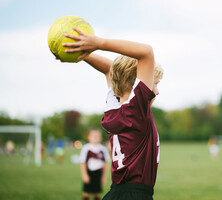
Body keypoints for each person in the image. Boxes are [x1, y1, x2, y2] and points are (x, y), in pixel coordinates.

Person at [62, 27, 164, 200]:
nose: (156, 91)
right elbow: (146, 52)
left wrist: (81, 52)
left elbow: (111, 70)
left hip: (115, 192)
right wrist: (99, 43)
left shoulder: (113, 108)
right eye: (154, 83)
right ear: (137, 85)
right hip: (135, 195)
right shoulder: (136, 109)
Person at [80, 128, 110, 200]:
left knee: (97, 193)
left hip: (98, 173)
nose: (95, 138)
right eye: (93, 136)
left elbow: (104, 164)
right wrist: (84, 175)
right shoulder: (86, 148)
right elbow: (83, 163)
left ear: (100, 138)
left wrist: (103, 176)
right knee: (86, 193)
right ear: (89, 137)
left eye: (97, 136)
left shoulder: (103, 149)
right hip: (89, 172)